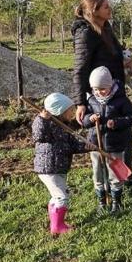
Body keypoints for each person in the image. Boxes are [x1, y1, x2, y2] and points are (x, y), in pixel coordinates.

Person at [72, 0, 132, 185]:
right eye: (105, 7)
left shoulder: (106, 27)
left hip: (115, 90)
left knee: (125, 132)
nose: (109, 9)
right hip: (100, 95)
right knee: (106, 137)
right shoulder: (86, 33)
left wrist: (126, 59)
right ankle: (109, 182)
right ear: (94, 11)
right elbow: (79, 69)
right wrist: (80, 103)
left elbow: (116, 52)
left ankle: (126, 177)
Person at [33, 93, 95, 235]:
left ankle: (56, 223)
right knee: (62, 196)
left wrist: (86, 147)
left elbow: (72, 145)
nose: (73, 113)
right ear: (59, 111)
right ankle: (57, 227)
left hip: (58, 166)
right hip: (49, 168)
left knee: (57, 195)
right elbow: (38, 135)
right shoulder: (46, 125)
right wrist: (42, 119)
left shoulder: (63, 127)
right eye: (70, 110)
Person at [81, 66, 132, 214]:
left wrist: (116, 123)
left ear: (110, 85)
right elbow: (84, 121)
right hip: (95, 144)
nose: (99, 92)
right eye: (96, 89)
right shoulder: (91, 100)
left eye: (102, 89)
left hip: (114, 145)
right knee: (98, 173)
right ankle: (102, 200)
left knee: (115, 174)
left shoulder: (120, 100)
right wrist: (90, 118)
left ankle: (116, 202)